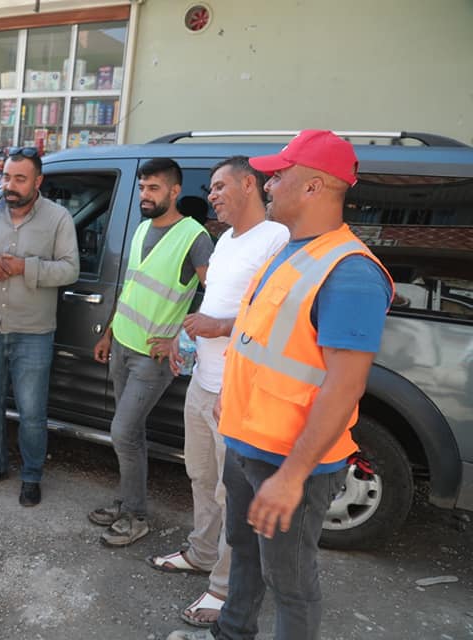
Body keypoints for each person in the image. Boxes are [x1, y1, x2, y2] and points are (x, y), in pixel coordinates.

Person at [165, 131, 393, 640]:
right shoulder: (289, 250)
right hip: (248, 443)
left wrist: (292, 477)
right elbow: (257, 341)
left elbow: (344, 386)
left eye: (279, 175)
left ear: (313, 186)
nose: (269, 185)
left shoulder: (349, 272)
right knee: (244, 552)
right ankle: (232, 630)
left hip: (290, 460)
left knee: (289, 582)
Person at [149, 157, 288, 628]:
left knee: (233, 494)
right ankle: (203, 552)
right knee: (200, 478)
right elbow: (214, 303)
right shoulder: (226, 240)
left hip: (239, 393)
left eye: (219, 186)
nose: (211, 196)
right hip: (203, 384)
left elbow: (279, 318)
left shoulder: (277, 240)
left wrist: (221, 326)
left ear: (250, 184)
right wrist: (184, 341)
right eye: (210, 189)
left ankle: (225, 588)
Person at [89, 158, 212, 545]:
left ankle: (137, 516)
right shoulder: (143, 228)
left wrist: (183, 341)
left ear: (175, 191)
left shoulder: (194, 236)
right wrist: (108, 333)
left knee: (122, 432)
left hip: (153, 358)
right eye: (142, 188)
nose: (145, 195)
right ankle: (127, 502)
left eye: (153, 188)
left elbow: (218, 298)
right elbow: (131, 287)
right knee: (132, 434)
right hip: (124, 344)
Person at [0, 147, 79, 506]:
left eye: (19, 179)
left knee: (31, 412)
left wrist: (27, 267)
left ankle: (31, 475)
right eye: (6, 177)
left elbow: (70, 269)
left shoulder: (58, 218)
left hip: (34, 332)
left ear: (38, 181)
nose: (10, 185)